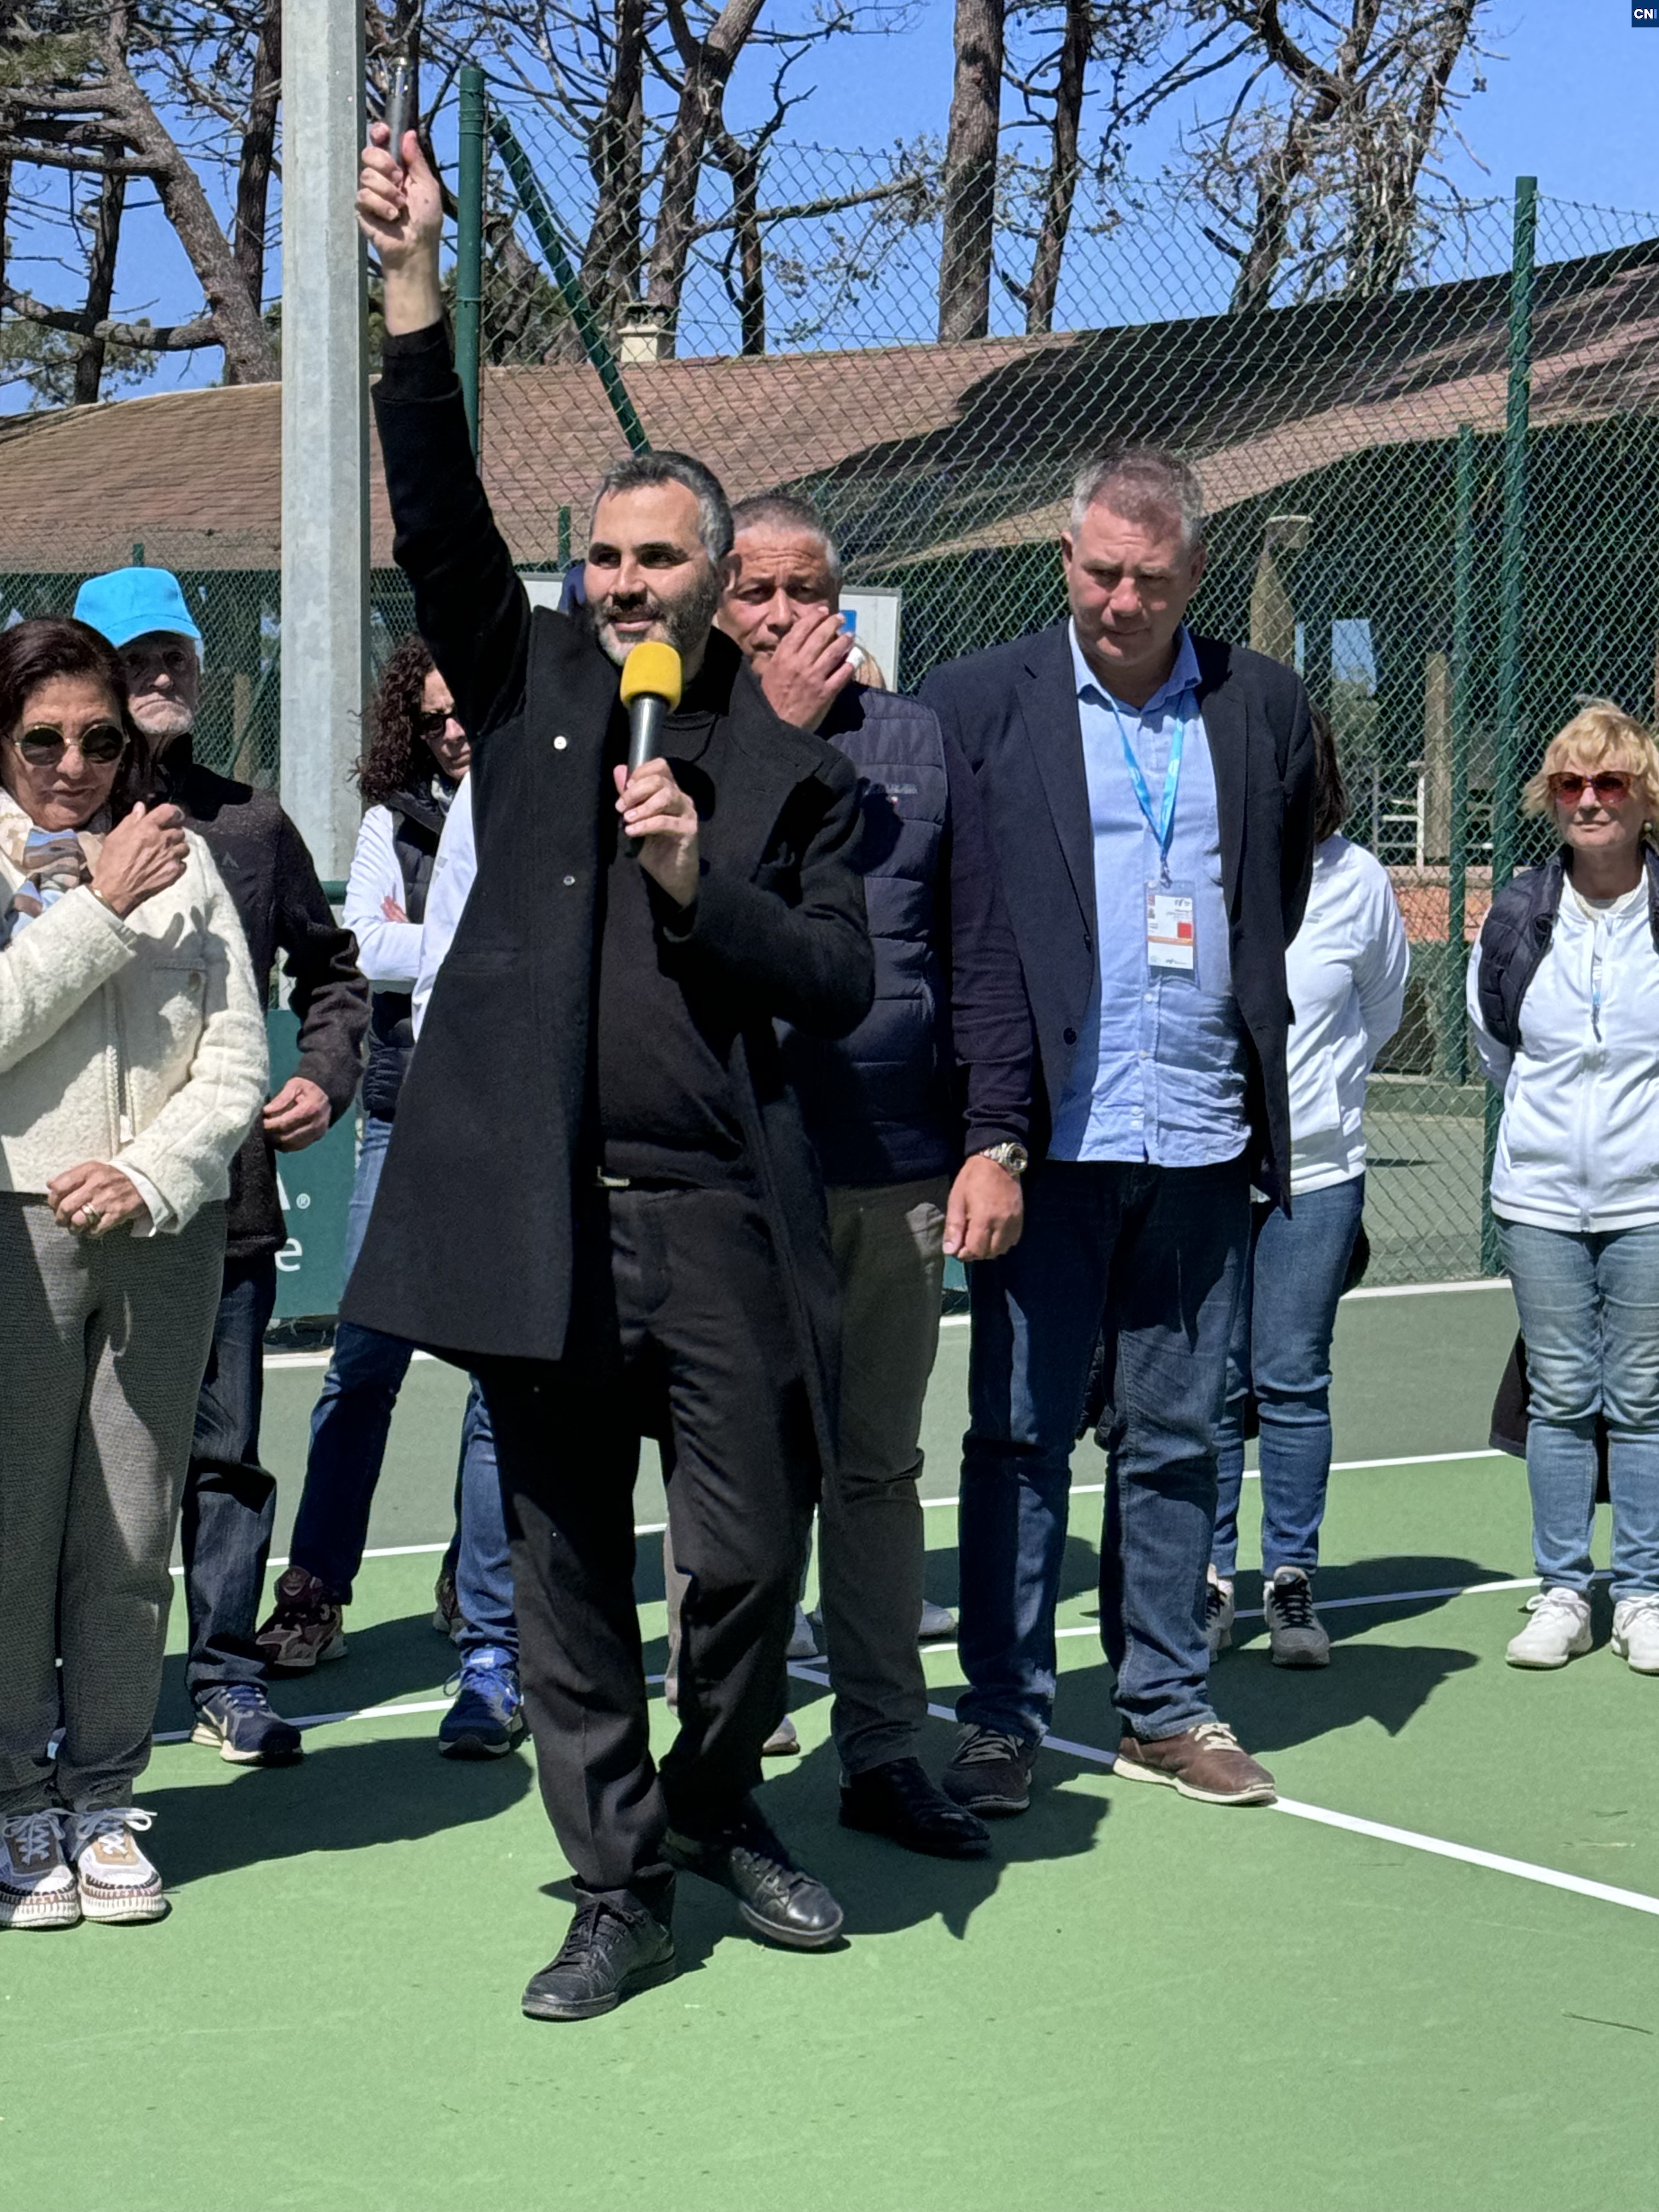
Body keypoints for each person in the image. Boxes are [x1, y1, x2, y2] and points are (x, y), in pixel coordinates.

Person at [352, 122, 874, 2022]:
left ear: (725, 581)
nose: (622, 581)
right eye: (603, 556)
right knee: (570, 1576)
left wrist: (694, 881)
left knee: (745, 1562)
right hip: (543, 1218)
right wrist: (414, 285)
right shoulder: (529, 688)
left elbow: (831, 978)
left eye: (659, 559)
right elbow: (431, 510)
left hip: (724, 1224)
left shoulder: (791, 771)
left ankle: (723, 1801)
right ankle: (615, 1882)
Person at [919, 445, 1316, 1815]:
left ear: (1193, 577)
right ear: (1065, 562)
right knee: (1018, 1439)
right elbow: (958, 924)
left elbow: (1276, 894)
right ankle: (1002, 1719)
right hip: (1044, 1144)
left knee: (1178, 1436)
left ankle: (1162, 1705)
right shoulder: (980, 702)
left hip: (1204, 1137)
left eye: (1151, 578)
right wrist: (986, 1125)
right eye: (1100, 572)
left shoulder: (1264, 704)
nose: (1122, 601)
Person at [706, 490, 1034, 1857]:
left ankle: (885, 1750)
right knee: (735, 1480)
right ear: (715, 610)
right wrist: (770, 735)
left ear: (842, 597)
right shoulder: (679, 748)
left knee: (879, 1473)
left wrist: (993, 1137)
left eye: (804, 588)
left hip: (899, 1172)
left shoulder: (922, 745)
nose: (781, 613)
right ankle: (720, 1763)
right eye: (752, 591)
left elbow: (980, 955)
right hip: (733, 1181)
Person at [73, 565, 369, 1769]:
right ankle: (69, 1686)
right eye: (132, 659)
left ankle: (226, 1673)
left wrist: (328, 1071)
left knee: (224, 1451)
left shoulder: (249, 822)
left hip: (222, 1208)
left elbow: (335, 971)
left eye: (173, 658)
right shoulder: (37, 824)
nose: (157, 679)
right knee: (65, 1464)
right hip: (59, 1210)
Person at [0, 616, 267, 1931]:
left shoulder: (195, 864)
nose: (72, 763)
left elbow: (234, 1058)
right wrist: (98, 907)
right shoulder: (77, 870)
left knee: (129, 1526)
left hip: (162, 1234)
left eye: (99, 738)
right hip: (15, 1225)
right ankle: (13, 1801)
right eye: (43, 738)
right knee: (13, 1532)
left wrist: (154, 1176)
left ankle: (104, 1794)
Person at [254, 637, 523, 1759]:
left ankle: (484, 1611)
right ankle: (316, 1586)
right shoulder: (391, 823)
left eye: (467, 711)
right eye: (433, 716)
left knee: (496, 1382)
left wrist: (446, 949)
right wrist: (474, 945)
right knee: (364, 1359)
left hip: (511, 1127)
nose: (454, 729)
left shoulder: (534, 800)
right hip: (399, 1118)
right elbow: (367, 944)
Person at [1209, 709, 1408, 1665]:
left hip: (1317, 1174)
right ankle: (1205, 1583)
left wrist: (1312, 1106)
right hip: (1201, 1166)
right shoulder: (1203, 861)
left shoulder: (1360, 880)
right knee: (1206, 1387)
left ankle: (1290, 1584)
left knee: (1291, 1380)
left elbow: (1379, 1011)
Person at [1469, 701, 1659, 1675]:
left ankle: (1643, 1594)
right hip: (1540, 1201)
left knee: (1640, 1399)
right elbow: (1499, 1049)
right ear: (1552, 800)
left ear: (1642, 797)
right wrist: (1550, 1143)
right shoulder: (1516, 916)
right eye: (1571, 786)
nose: (1591, 802)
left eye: (1611, 784)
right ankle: (1561, 1592)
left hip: (1649, 1203)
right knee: (1562, 1396)